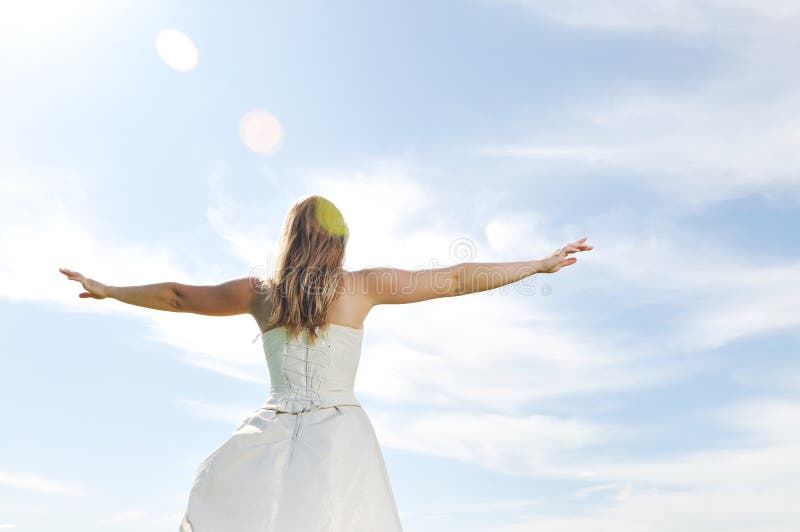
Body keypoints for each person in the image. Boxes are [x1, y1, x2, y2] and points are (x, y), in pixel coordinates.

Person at [59, 194, 593, 531]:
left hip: (268, 432)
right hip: (341, 434)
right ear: (339, 243)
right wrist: (536, 265)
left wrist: (109, 289)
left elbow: (177, 295)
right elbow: (455, 278)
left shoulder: (258, 293)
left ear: (290, 238)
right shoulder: (363, 287)